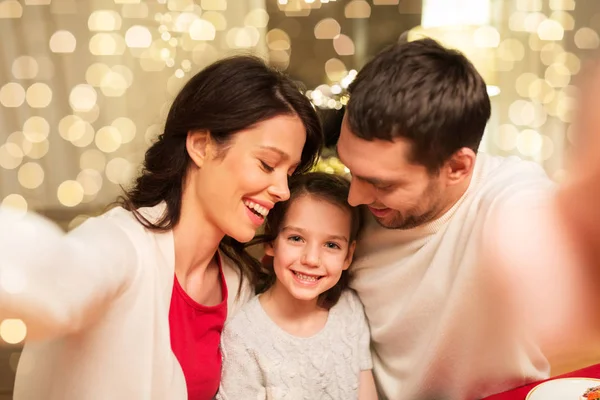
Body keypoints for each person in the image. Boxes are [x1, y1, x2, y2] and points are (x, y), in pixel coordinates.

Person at [0, 55, 323, 400]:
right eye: (267, 164)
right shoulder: (121, 245)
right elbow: (56, 282)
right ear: (201, 145)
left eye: (288, 174)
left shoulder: (237, 283)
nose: (282, 190)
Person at [335, 38, 556, 399]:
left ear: (456, 166)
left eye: (380, 184)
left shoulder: (512, 201)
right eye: (351, 170)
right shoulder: (344, 213)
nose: (354, 197)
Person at [217, 172, 378, 400]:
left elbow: (365, 391)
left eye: (331, 245)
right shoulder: (243, 336)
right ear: (272, 242)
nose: (311, 259)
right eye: (296, 238)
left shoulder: (349, 307)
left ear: (348, 256)